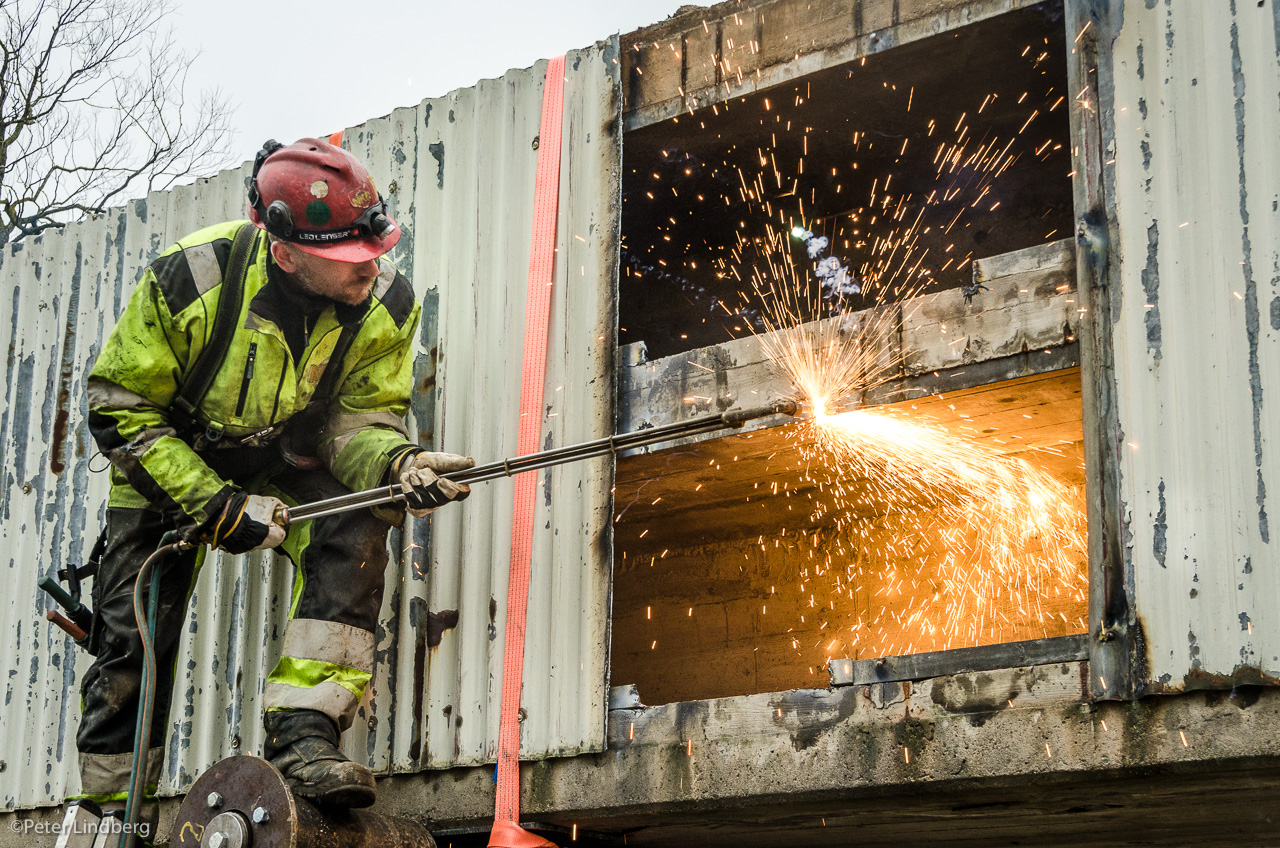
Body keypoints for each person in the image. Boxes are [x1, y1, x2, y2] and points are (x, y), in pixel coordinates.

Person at [69, 138, 470, 833]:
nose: (372, 269)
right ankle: (111, 815)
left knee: (362, 517)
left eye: (374, 250)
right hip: (166, 457)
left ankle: (306, 736)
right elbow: (116, 404)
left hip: (279, 459)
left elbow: (358, 422)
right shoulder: (192, 281)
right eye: (351, 259)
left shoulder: (385, 304)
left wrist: (398, 464)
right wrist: (212, 505)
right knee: (133, 639)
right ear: (285, 253)